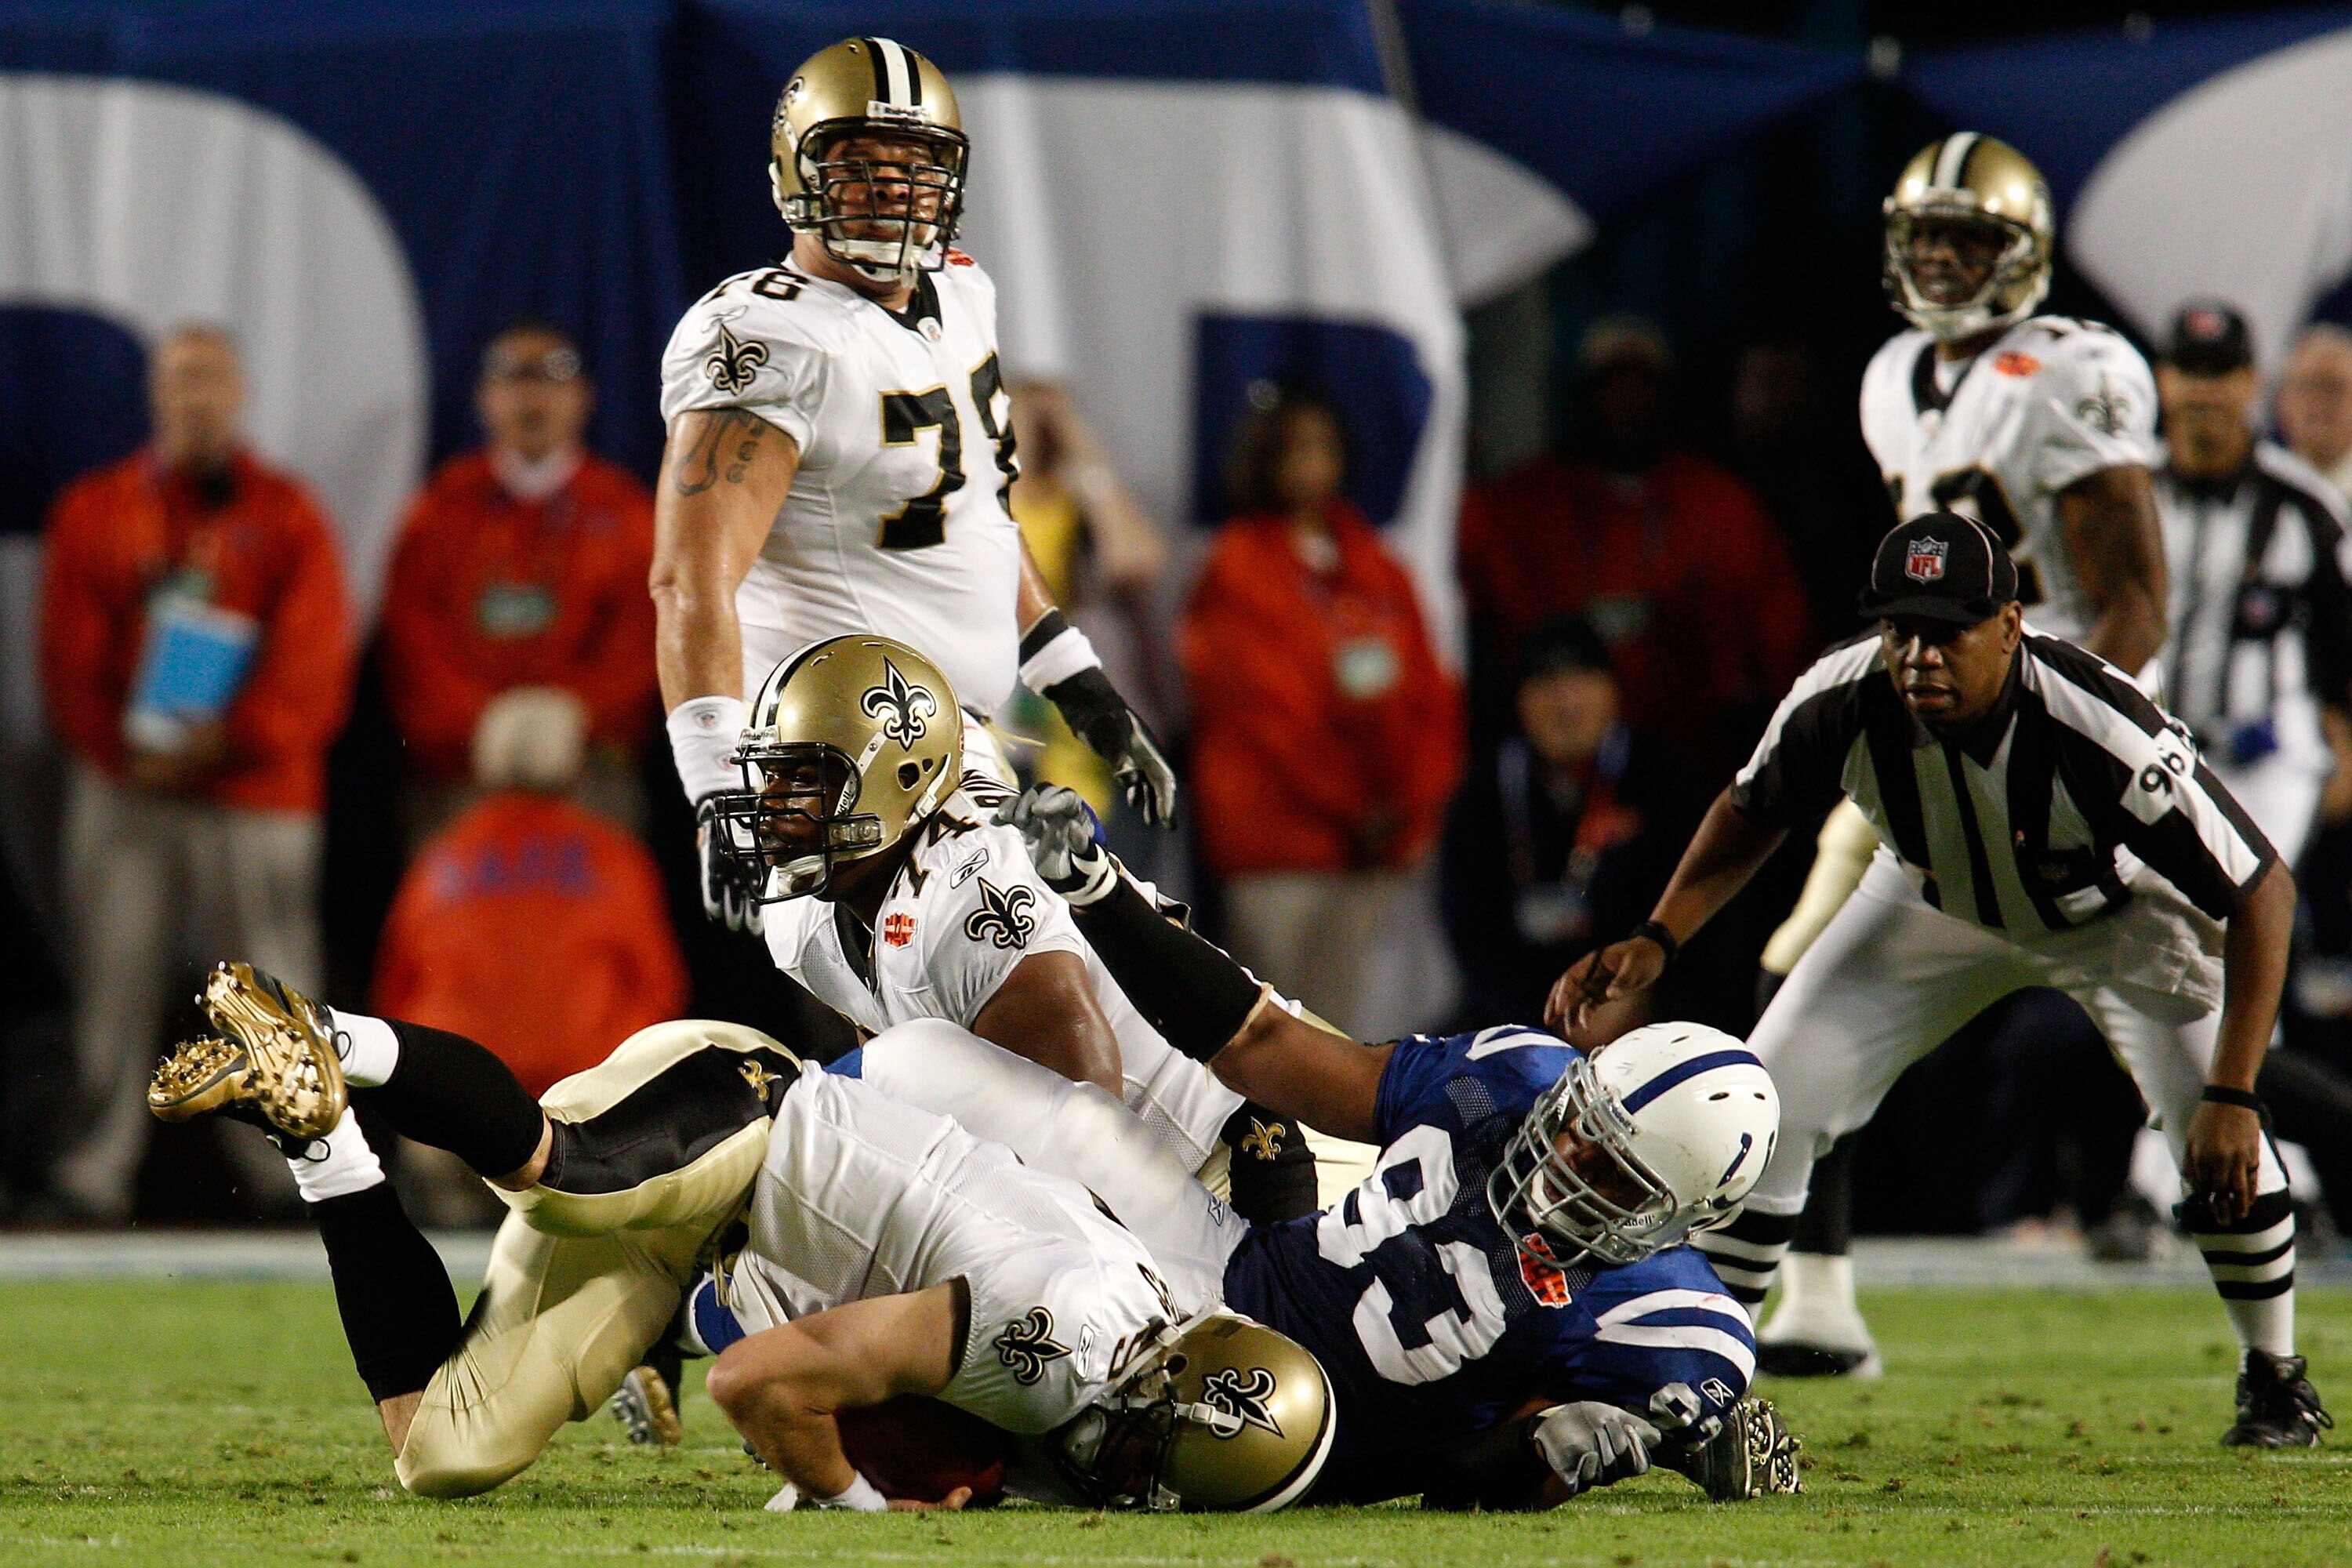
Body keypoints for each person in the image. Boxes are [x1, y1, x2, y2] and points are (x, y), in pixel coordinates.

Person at [1560, 512, 2331, 1448]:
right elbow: (1751, 806)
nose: (1921, 653)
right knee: (1767, 1102)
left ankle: (2276, 1374)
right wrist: (1659, 934)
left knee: (2215, 1140)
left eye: (1949, 629)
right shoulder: (1843, 692)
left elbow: (2261, 887)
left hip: (2115, 916)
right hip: (1933, 900)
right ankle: (1700, 1375)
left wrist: (2236, 1087)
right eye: (1902, 629)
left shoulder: (2099, 721)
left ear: (2010, 623)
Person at [868, 787, 1800, 1508]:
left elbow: (1457, 1478)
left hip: (1291, 1424)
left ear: (1681, 1219)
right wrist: (1098, 892)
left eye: (1608, 1171)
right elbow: (1262, 1046)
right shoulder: (1515, 1078)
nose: (1563, 1156)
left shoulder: (1674, 1325)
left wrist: (1559, 1450)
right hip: (1236, 1265)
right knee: (942, 1068)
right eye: (1578, 1123)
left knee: (1031, 1359)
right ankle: (763, 1133)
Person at [146, 961, 1333, 1512]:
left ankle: (315, 1132)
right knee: (560, 1185)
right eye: (1157, 1467)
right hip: (747, 1114)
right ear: (1161, 1387)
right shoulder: (1068, 1335)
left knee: (442, 1452)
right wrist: (853, 1504)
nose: (1142, 1493)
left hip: (706, 1242)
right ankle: (333, 1034)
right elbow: (765, 1383)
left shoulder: (1119, 1359)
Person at [1762, 132, 2176, 1375]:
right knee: (1806, 975)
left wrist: (2086, 744)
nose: (1941, 260)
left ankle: (2284, 1260)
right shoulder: (1893, 374)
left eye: (1968, 239)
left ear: (2024, 252)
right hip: (1927, 730)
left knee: (2196, 1025)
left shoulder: (2078, 371)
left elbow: (2138, 597)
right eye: (1924, 239)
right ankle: (1819, 1304)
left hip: (2066, 733)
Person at [651, 37, 1173, 938]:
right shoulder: (767, 337)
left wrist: (1075, 677)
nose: (894, 189)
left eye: (918, 164)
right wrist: (715, 786)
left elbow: (977, 517)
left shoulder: (963, 293)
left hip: (961, 744)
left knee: (1066, 1004)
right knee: (1009, 1014)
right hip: (842, 769)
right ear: (795, 171)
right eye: (859, 164)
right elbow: (690, 579)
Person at [704, 633, 1315, 1226]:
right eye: (769, 776)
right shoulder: (803, 912)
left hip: (1223, 1155)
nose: (773, 807)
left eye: (803, 780)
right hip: (1107, 1164)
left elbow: (1089, 1152)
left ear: (904, 779)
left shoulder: (970, 898)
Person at [38, 325, 353, 1223]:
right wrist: (120, 746)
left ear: (242, 393)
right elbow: (68, 654)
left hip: (255, 790)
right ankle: (89, 1174)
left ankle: (298, 1174)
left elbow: (314, 655)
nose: (197, 397)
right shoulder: (98, 509)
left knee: (273, 991)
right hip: (128, 786)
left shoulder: (289, 512)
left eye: (213, 379)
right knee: (111, 980)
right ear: (155, 394)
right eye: (181, 380)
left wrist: (230, 738)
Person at [1181, 386, 1461, 1038]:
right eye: (1293, 450)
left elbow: (1432, 696)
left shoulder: (1377, 567)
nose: (1309, 466)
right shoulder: (1237, 567)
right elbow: (1264, 718)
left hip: (1382, 849)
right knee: (1284, 1040)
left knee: (1373, 1036)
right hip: (1284, 850)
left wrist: (1411, 807)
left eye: (1323, 449)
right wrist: (1357, 809)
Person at [1456, 316, 1809, 775]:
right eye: (1611, 387)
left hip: (1697, 761)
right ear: (1582, 396)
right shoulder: (1524, 502)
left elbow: (1784, 641)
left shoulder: (1720, 502)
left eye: (1641, 386)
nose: (1627, 403)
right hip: (1551, 760)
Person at [377, 322, 659, 826]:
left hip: (586, 775)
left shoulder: (624, 511)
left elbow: (646, 640)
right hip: (462, 775)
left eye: (551, 380)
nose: (532, 398)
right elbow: (410, 637)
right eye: (512, 380)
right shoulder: (441, 508)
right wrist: (478, 723)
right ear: (485, 398)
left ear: (583, 397)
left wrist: (576, 718)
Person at [373, 687, 688, 1100]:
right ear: (576, 764)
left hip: (457, 1106)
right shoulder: (616, 859)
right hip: (585, 1104)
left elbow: (394, 993)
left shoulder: (440, 859)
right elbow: (662, 990)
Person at [2152, 300, 2351, 870]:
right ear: (2163, 381)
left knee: (2237, 914)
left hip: (2262, 761)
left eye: (2221, 374)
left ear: (2251, 383)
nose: (2204, 392)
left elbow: (2342, 634)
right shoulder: (2123, 493)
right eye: (2191, 372)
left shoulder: (2307, 505)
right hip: (2140, 750)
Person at [1439, 614, 1682, 1029]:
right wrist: (1550, 1024)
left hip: (1646, 1019)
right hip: (1521, 1023)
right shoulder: (1482, 797)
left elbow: (1707, 927)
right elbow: (1472, 939)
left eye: (1583, 680)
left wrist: (1650, 1006)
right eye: (1546, 684)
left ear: (1614, 691)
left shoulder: (1666, 783)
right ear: (1518, 699)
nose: (1567, 703)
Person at [999, 378, 1171, 818]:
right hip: (1004, 754)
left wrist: (1081, 446)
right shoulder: (977, 505)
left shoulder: (1081, 506)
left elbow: (1138, 561)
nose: (1036, 429)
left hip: (1092, 759)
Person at [2278, 323, 2352, 501]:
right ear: (2283, 400)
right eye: (2310, 386)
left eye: (2335, 387)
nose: (2321, 402)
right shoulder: (2254, 492)